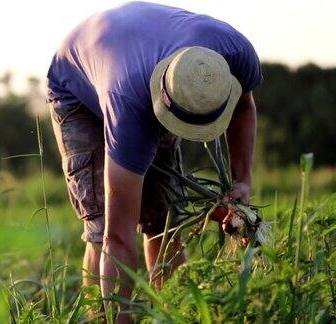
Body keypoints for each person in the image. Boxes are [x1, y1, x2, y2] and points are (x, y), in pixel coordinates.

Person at [46, 2, 263, 322]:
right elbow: (118, 240)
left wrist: (242, 180)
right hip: (76, 84)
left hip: (136, 53)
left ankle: (174, 313)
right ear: (165, 103)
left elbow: (244, 106)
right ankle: (101, 318)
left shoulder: (234, 53)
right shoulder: (130, 110)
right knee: (103, 226)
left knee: (164, 221)